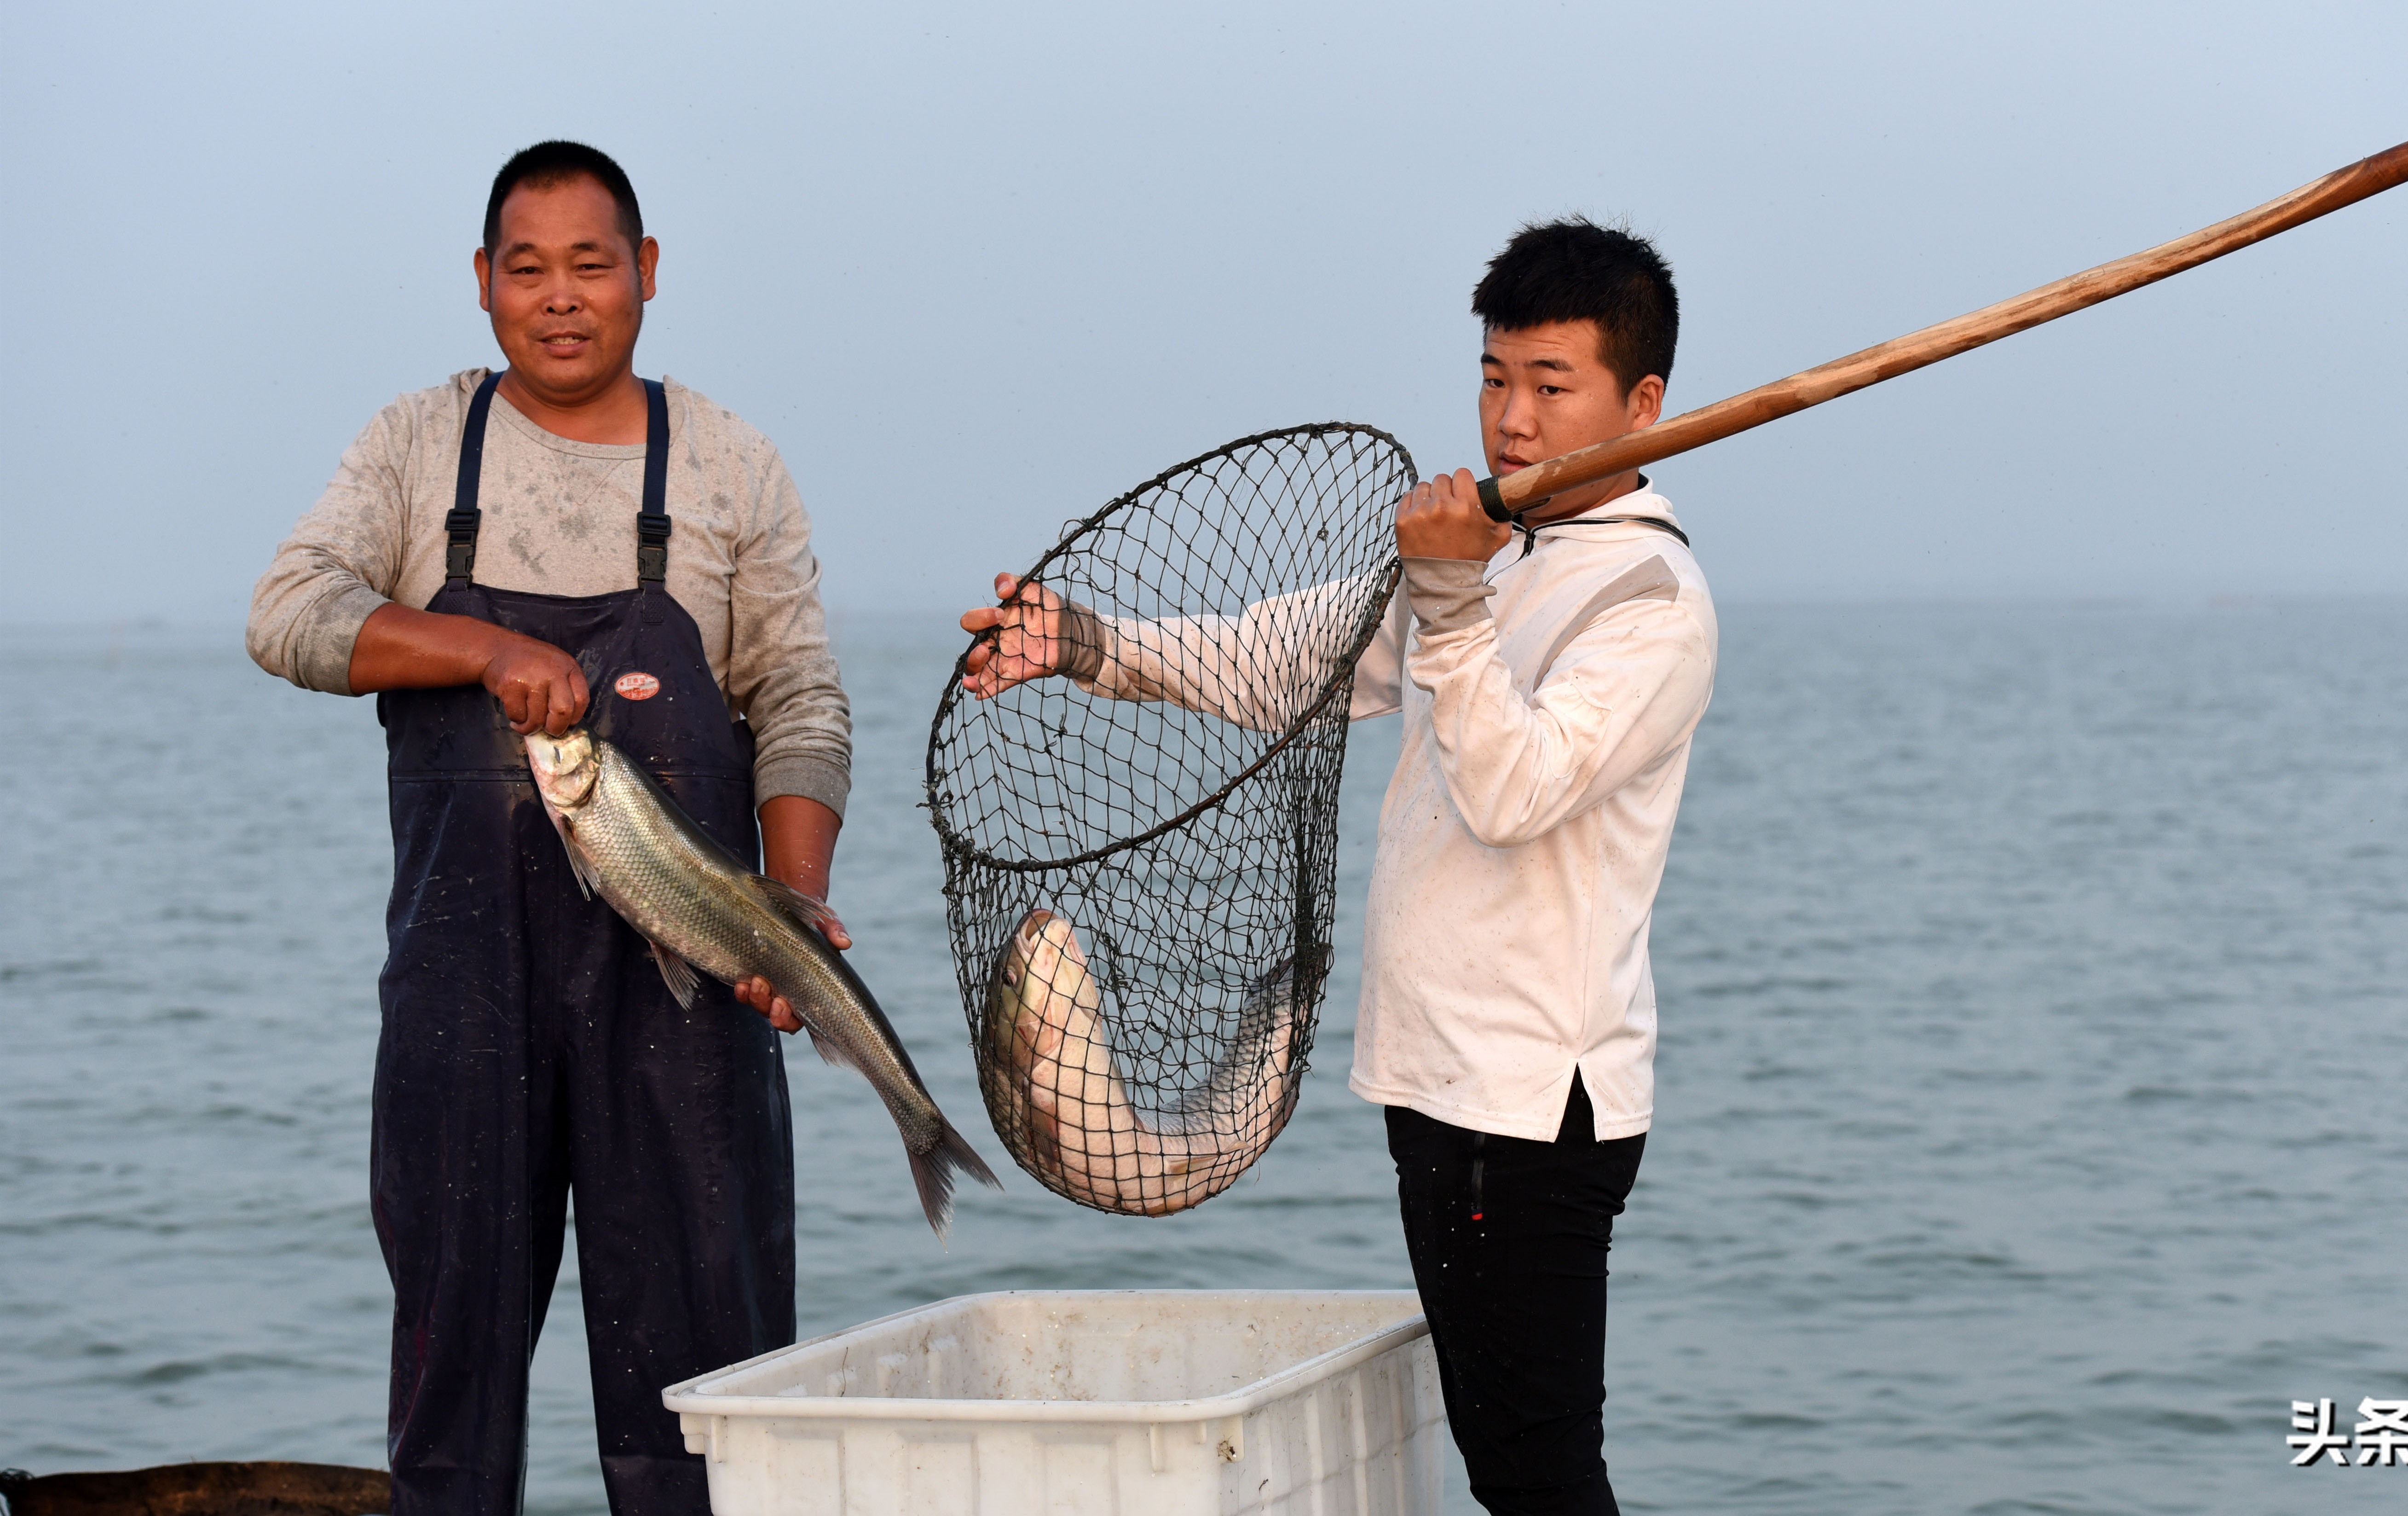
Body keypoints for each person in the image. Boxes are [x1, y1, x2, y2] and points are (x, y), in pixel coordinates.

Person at [958, 218, 1716, 1515]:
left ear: (1641, 402)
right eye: (1495, 377)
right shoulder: (1498, 551)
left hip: (1529, 1105)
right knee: (1506, 1463)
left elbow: (1511, 789)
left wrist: (1452, 599)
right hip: (1439, 1084)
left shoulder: (1647, 602)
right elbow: (1277, 660)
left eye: (1552, 385)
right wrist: (1080, 641)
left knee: (1541, 1472)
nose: (1512, 418)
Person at [247, 141, 851, 1516]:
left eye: (593, 264)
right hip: (469, 995)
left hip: (691, 997)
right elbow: (287, 616)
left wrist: (790, 906)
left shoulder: (729, 465)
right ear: (482, 284)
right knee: (453, 1382)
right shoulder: (416, 445)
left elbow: (801, 702)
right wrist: (470, 646)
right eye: (528, 268)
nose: (561, 297)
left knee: (708, 1394)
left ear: (646, 274)